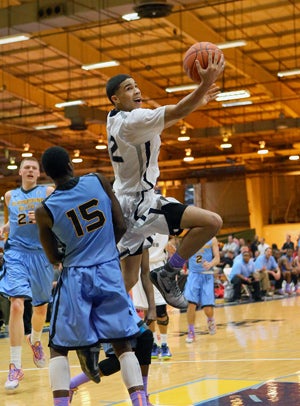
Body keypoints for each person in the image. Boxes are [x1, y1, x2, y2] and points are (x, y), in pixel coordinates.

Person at [105, 52, 225, 310]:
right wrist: (203, 84)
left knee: (128, 278)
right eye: (128, 88)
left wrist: (196, 102)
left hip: (130, 199)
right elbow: (176, 110)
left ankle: (97, 322)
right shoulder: (133, 120)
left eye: (136, 85)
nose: (137, 90)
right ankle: (168, 273)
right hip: (139, 205)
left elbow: (167, 118)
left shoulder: (114, 117)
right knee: (211, 222)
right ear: (115, 99)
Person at [35, 146, 147, 406]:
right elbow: (121, 225)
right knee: (122, 344)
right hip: (108, 269)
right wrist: (105, 249)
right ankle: (140, 401)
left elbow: (53, 258)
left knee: (59, 347)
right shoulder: (97, 180)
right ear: (71, 165)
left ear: (48, 175)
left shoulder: (45, 210)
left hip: (76, 276)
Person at [0, 157, 54, 391]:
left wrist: (44, 219)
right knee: (16, 304)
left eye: (34, 167)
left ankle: (35, 340)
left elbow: (59, 218)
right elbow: (14, 220)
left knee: (40, 308)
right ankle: (15, 365)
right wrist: (7, 227)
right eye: (27, 167)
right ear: (20, 171)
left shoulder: (48, 191)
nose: (31, 170)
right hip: (16, 254)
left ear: (39, 172)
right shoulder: (10, 196)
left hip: (41, 254)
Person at [69, 299, 154, 405]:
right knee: (119, 359)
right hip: (106, 308)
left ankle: (143, 396)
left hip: (123, 305)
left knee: (146, 337)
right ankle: (72, 383)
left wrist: (152, 306)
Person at [132, 233, 172, 359]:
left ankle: (164, 344)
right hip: (141, 267)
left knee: (161, 310)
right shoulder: (137, 220)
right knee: (147, 310)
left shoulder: (164, 219)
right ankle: (153, 343)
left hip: (159, 266)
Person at [184, 237, 220, 343]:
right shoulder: (190, 237)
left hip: (207, 276)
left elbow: (217, 258)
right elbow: (182, 254)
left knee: (207, 309)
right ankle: (191, 331)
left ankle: (210, 319)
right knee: (191, 304)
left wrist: (210, 264)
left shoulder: (212, 239)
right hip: (193, 275)